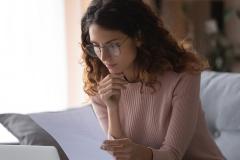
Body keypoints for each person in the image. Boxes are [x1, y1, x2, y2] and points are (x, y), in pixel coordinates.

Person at [80, 0, 225, 159]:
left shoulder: (182, 75)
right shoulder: (100, 83)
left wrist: (140, 153)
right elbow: (119, 156)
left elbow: (173, 155)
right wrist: (112, 107)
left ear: (138, 37)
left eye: (113, 45)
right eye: (96, 46)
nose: (103, 57)